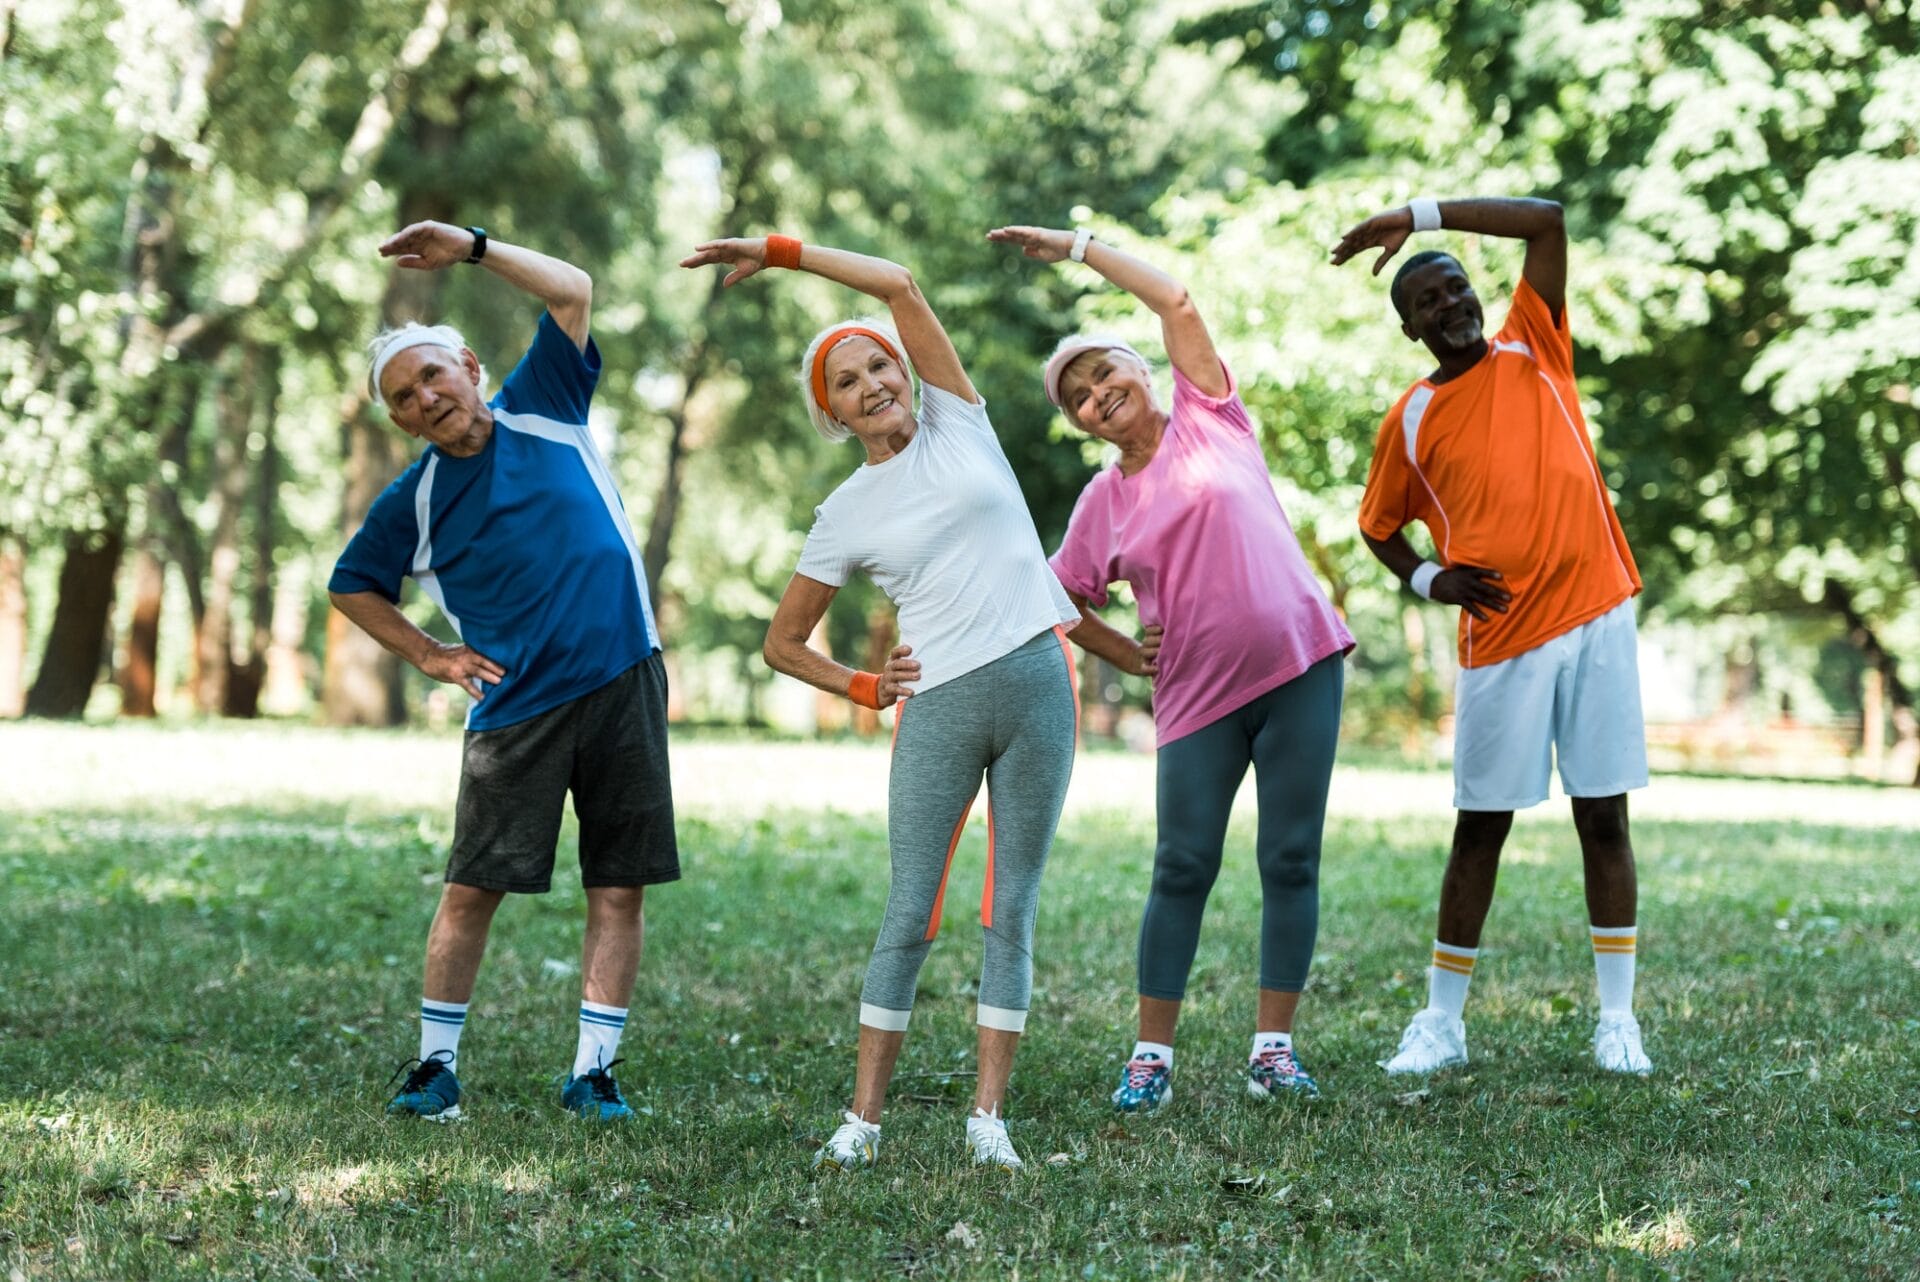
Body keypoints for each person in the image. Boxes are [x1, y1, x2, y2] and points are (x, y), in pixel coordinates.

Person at [679, 232, 1081, 1172]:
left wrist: (784, 252)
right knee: (911, 912)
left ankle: (989, 1119)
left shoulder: (961, 422)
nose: (872, 384)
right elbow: (781, 643)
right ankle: (863, 1119)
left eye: (878, 365)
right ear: (833, 412)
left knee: (1010, 909)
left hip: (1036, 681)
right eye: (848, 381)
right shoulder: (845, 512)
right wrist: (861, 687)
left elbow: (900, 281)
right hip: (937, 701)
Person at [989, 224, 1355, 1112]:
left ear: (1141, 371)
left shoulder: (1212, 416)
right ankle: (1152, 1054)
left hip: (1302, 665)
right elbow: (1058, 597)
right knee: (1182, 866)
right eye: (1076, 396)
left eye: (1102, 373)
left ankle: (1274, 1050)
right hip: (1197, 700)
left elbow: (1175, 301)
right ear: (1079, 424)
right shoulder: (1102, 502)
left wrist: (1080, 248)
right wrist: (1126, 653)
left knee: (1291, 858)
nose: (1095, 394)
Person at [329, 220, 677, 1122]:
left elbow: (572, 286)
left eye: (433, 375)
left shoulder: (546, 405)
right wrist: (433, 656)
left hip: (624, 679)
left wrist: (473, 248)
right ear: (399, 419)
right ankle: (434, 1067)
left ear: (470, 367)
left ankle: (593, 1072)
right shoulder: (415, 498)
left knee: (618, 884)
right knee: (473, 887)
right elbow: (353, 586)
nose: (426, 398)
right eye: (404, 397)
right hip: (515, 711)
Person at [1330, 195, 1652, 1076]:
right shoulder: (1412, 418)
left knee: (1604, 818)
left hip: (1596, 615)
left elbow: (1548, 219)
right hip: (1503, 639)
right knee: (1480, 828)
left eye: (1457, 285)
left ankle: (1617, 1020)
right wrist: (1431, 579)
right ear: (1410, 328)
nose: (1451, 303)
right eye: (1428, 300)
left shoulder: (1534, 345)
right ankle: (1441, 1021)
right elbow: (1377, 527)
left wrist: (1415, 215)